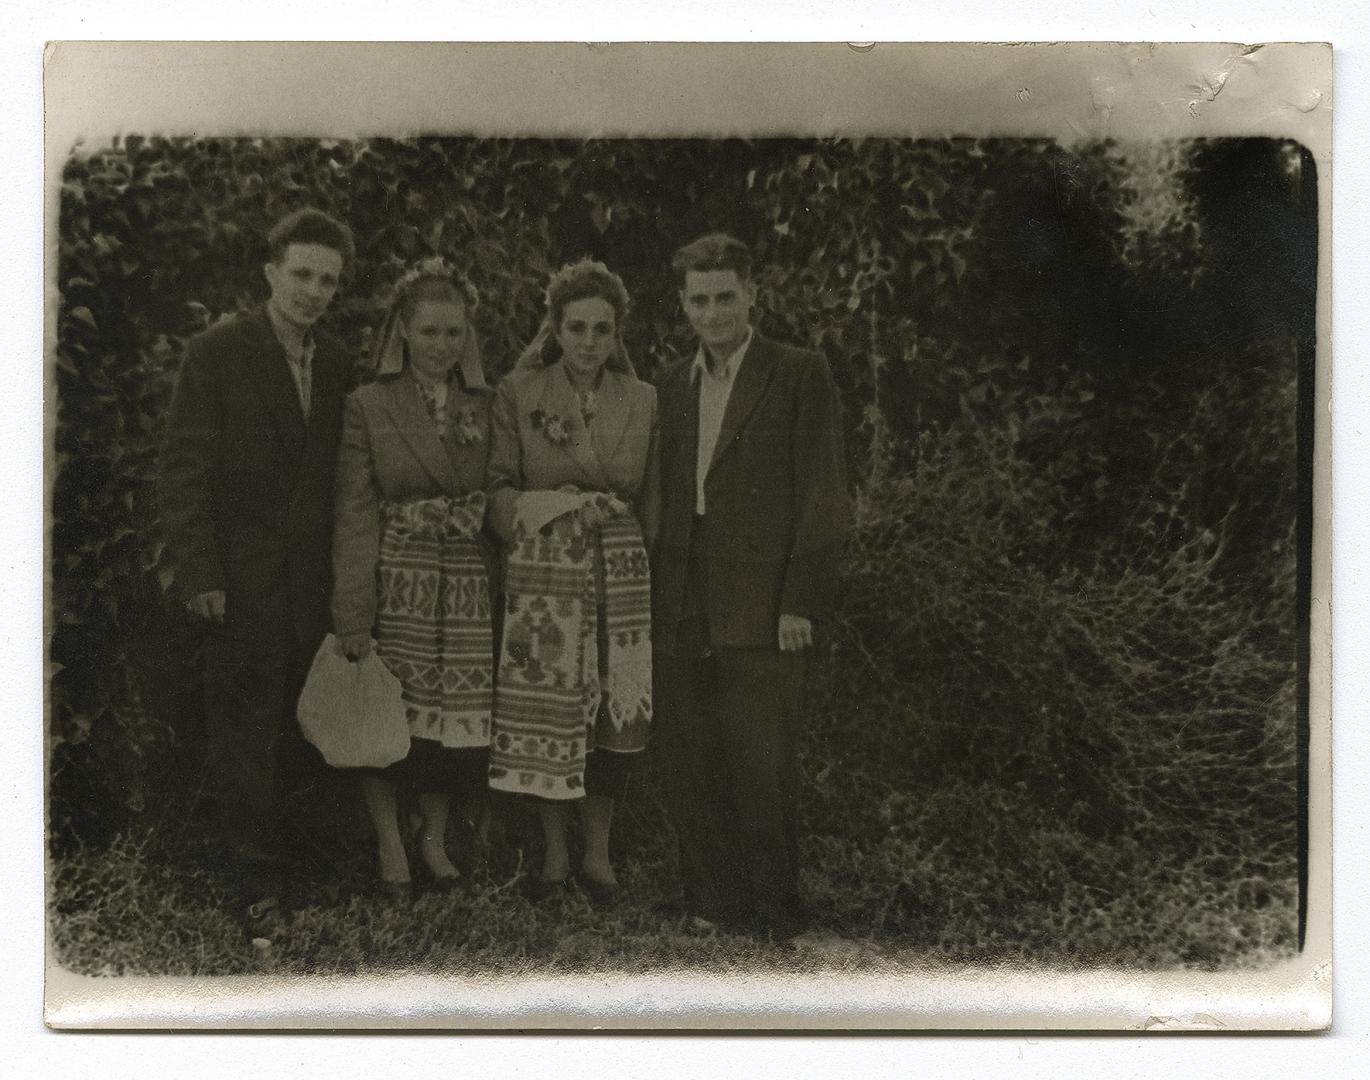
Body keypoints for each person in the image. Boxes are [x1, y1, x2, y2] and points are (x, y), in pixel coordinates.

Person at [159, 208, 356, 941]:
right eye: (301, 274)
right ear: (271, 272)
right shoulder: (217, 353)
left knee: (303, 731)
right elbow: (183, 473)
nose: (312, 291)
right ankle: (256, 889)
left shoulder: (336, 363)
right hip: (240, 584)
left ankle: (302, 870)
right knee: (243, 737)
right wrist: (201, 573)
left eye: (327, 280)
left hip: (310, 588)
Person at [651, 233, 850, 941]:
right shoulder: (670, 384)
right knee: (693, 754)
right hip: (683, 591)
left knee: (761, 757)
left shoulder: (796, 372)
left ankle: (774, 911)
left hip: (763, 597)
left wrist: (800, 601)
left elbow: (824, 493)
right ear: (683, 305)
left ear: (752, 296)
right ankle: (714, 903)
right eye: (698, 300)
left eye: (725, 297)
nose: (712, 313)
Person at [486, 259, 657, 905]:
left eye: (602, 329)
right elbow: (498, 487)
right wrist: (549, 510)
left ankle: (597, 851)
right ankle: (555, 850)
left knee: (614, 713)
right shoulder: (520, 391)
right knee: (550, 711)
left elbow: (653, 498)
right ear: (555, 329)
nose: (589, 342)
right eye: (576, 328)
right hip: (546, 571)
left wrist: (645, 552)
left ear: (617, 334)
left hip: (619, 571)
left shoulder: (642, 398)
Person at [331, 258, 497, 901]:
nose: (441, 346)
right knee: (389, 716)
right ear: (402, 330)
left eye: (454, 333)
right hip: (399, 578)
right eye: (429, 332)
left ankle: (433, 837)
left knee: (451, 722)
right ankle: (389, 842)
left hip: (465, 584)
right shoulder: (369, 405)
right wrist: (354, 611)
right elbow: (354, 511)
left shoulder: (485, 402)